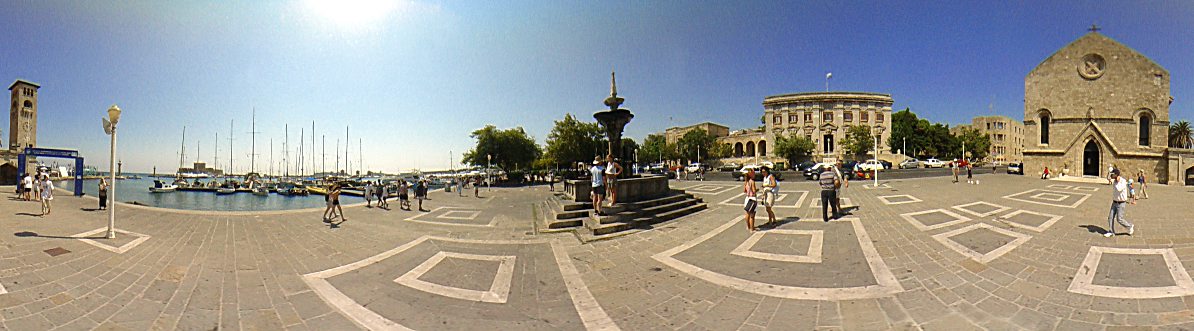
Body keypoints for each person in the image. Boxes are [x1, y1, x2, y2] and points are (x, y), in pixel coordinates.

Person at [1105, 170, 1135, 237]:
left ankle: (1130, 226)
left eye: (1113, 174)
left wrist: (1117, 181)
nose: (1111, 176)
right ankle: (1111, 231)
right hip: (1114, 202)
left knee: (1119, 219)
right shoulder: (1115, 182)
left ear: (1116, 175)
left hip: (1121, 203)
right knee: (1110, 217)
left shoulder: (1123, 181)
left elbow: (1119, 189)